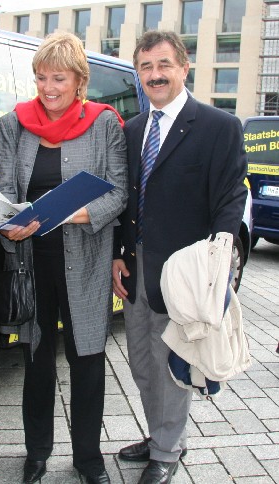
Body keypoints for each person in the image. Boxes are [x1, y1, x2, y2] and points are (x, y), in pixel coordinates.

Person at [0, 32, 128, 484]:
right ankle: (36, 454)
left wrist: (68, 215)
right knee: (37, 361)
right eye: (41, 77)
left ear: (79, 81)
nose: (48, 88)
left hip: (85, 261)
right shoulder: (14, 123)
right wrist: (9, 220)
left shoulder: (104, 123)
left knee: (87, 360)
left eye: (59, 78)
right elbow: (6, 192)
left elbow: (119, 193)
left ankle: (88, 459)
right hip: (32, 260)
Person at [112, 30, 247, 484]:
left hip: (186, 270)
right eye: (146, 67)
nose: (155, 75)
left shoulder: (218, 126)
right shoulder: (131, 130)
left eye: (164, 65)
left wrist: (220, 259)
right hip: (138, 265)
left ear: (184, 68)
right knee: (140, 359)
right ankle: (158, 435)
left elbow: (230, 197)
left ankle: (167, 450)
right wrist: (118, 254)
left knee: (173, 359)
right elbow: (126, 200)